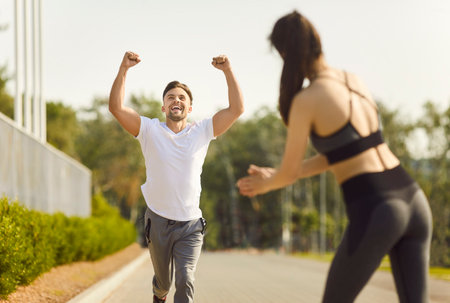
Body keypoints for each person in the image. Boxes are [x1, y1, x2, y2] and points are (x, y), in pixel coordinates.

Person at [237, 11, 432, 303]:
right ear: (317, 40)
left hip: (378, 209)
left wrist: (266, 184)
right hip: (414, 200)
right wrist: (276, 173)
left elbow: (288, 175)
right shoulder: (353, 80)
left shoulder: (307, 100)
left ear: (285, 53)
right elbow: (343, 154)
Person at [109, 51, 244, 303]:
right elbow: (116, 108)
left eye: (182, 97)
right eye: (171, 97)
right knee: (163, 283)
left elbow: (237, 109)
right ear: (163, 106)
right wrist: (123, 69)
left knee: (185, 280)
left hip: (190, 225)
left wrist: (227, 71)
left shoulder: (202, 131)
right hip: (158, 221)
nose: (176, 100)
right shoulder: (149, 130)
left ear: (189, 107)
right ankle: (158, 294)